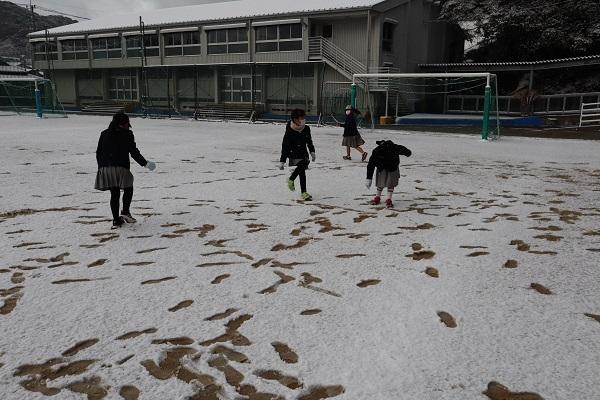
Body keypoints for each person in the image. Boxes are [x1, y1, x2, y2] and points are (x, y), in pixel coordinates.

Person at [95, 112, 156, 229]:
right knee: (128, 188)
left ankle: (116, 220)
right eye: (128, 123)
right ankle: (125, 212)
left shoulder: (104, 133)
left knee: (114, 194)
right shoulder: (127, 134)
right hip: (121, 167)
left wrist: (101, 167)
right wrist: (146, 164)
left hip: (106, 167)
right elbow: (134, 152)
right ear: (123, 124)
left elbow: (99, 152)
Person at [279, 108, 316, 201]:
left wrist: (312, 151)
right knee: (303, 166)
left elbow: (309, 141)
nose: (303, 120)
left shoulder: (306, 128)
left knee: (302, 169)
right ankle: (297, 185)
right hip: (293, 153)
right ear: (295, 119)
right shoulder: (289, 130)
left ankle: (301, 190)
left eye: (303, 117)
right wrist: (282, 160)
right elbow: (285, 146)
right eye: (301, 118)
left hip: (303, 152)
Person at [365, 140, 412, 209]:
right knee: (380, 183)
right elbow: (371, 165)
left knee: (390, 183)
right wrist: (369, 178)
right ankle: (377, 197)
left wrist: (407, 152)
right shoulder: (377, 151)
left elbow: (406, 151)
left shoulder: (394, 147)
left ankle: (388, 199)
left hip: (393, 168)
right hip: (382, 168)